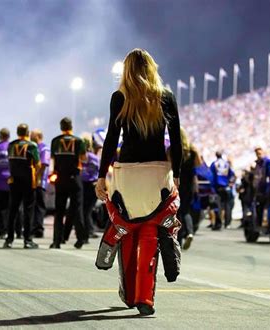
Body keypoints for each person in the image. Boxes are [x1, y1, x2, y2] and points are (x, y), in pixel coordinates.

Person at [95, 49, 182, 316]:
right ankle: (145, 298)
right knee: (150, 233)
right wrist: (176, 175)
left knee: (128, 229)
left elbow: (111, 139)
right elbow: (176, 141)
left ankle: (130, 292)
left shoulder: (120, 97)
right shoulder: (166, 97)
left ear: (127, 71)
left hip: (128, 174)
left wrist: (101, 175)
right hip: (157, 174)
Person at [49, 118, 88, 249]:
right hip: (74, 178)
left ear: (61, 127)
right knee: (77, 209)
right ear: (72, 126)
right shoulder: (78, 141)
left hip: (60, 178)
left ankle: (57, 241)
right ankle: (81, 239)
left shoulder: (55, 141)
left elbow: (52, 159)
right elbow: (84, 158)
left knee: (59, 211)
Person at [3, 124, 40, 249]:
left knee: (12, 210)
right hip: (28, 182)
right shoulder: (32, 146)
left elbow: (10, 160)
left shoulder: (11, 145)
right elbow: (37, 163)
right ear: (28, 132)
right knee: (28, 211)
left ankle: (9, 240)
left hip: (14, 181)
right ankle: (27, 240)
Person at [177, 128, 200, 250]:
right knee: (185, 211)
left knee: (177, 212)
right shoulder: (192, 150)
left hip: (178, 183)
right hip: (189, 184)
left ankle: (178, 239)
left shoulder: (174, 149)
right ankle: (190, 232)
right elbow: (198, 164)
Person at [30, 129, 50, 238]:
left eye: (32, 134)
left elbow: (43, 165)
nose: (29, 136)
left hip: (39, 182)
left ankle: (38, 229)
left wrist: (37, 177)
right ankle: (32, 227)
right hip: (32, 182)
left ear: (38, 136)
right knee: (32, 205)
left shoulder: (44, 148)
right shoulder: (32, 146)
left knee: (39, 206)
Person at [80, 135, 100, 239]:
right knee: (87, 209)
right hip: (92, 185)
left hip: (85, 185)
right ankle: (88, 230)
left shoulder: (79, 157)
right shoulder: (94, 158)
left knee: (85, 210)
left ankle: (88, 230)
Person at [210, 151, 235, 229]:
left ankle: (219, 223)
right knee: (227, 206)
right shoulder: (227, 164)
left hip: (217, 188)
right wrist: (229, 182)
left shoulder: (214, 164)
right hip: (226, 187)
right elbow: (232, 174)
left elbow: (210, 175)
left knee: (217, 205)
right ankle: (227, 223)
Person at [253, 147, 270, 227]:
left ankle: (266, 223)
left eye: (260, 153)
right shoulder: (258, 163)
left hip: (266, 189)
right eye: (257, 154)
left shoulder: (268, 162)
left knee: (265, 206)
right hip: (260, 189)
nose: (258, 155)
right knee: (259, 207)